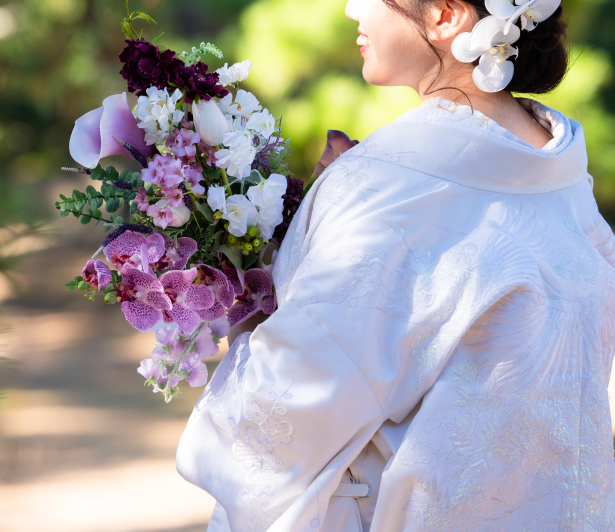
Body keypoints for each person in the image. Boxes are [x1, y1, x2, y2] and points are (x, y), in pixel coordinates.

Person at [176, 0, 615, 529]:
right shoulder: (560, 173)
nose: (349, 8)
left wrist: (241, 285)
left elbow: (285, 411)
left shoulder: (386, 183)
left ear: (446, 16)